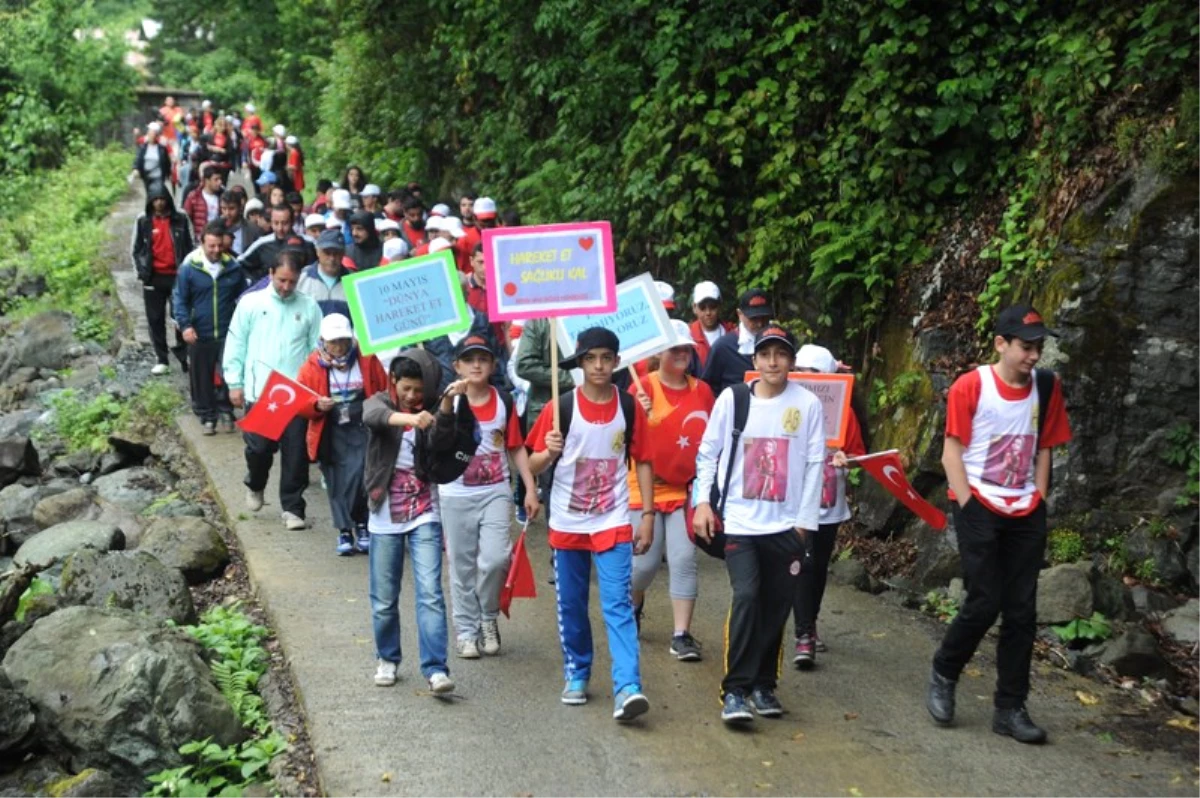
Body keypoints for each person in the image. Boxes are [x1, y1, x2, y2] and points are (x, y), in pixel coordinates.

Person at [926, 305, 1071, 745]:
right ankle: (945, 672)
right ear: (1001, 344)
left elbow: (1046, 447)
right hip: (979, 502)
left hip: (1026, 508)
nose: (1033, 357)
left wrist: (1040, 498)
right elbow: (952, 451)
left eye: (1038, 348)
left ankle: (1010, 707)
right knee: (984, 599)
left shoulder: (1046, 386)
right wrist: (967, 504)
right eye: (1026, 348)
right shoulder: (972, 386)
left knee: (1022, 610)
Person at [692, 325, 825, 725]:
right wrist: (702, 502)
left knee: (776, 605)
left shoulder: (807, 405)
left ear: (791, 361)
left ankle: (765, 684)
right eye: (765, 354)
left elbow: (815, 462)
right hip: (741, 523)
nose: (773, 362)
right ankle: (734, 690)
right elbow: (707, 453)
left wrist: (804, 524)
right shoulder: (732, 401)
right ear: (754, 361)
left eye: (780, 355)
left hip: (786, 526)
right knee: (748, 596)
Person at [526, 327, 654, 721]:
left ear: (617, 362)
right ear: (579, 364)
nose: (599, 366)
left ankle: (628, 686)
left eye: (605, 358)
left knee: (617, 602)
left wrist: (646, 514)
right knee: (572, 604)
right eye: (590, 358)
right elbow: (529, 466)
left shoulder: (629, 407)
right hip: (567, 522)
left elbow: (644, 460)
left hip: (613, 519)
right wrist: (547, 453)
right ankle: (577, 672)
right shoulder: (560, 407)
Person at [361, 350, 457, 695]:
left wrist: (443, 410)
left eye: (419, 390)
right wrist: (406, 419)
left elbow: (443, 442)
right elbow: (371, 416)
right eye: (407, 389)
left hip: (425, 511)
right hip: (384, 511)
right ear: (394, 385)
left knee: (430, 592)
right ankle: (387, 657)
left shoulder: (432, 407)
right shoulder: (379, 402)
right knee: (384, 598)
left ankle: (436, 668)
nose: (413, 397)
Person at [440, 336, 539, 659]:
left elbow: (514, 445)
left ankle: (488, 617)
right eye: (469, 360)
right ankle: (466, 632)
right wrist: (444, 407)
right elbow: (434, 444)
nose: (476, 365)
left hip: (495, 490)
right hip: (455, 493)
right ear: (457, 366)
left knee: (496, 559)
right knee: (462, 565)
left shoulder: (504, 401)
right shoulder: (449, 401)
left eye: (483, 359)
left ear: (493, 364)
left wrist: (530, 487)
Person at [629, 320, 715, 659]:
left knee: (682, 558)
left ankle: (682, 634)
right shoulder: (642, 388)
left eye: (686, 349)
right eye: (674, 349)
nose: (681, 355)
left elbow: (712, 438)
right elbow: (623, 438)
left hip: (685, 489)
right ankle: (633, 605)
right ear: (659, 353)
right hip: (644, 488)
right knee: (644, 565)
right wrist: (640, 415)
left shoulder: (703, 391)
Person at [223, 250, 324, 529]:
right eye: (282, 280)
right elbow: (236, 343)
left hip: (296, 393)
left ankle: (293, 508)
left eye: (292, 281)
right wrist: (235, 382)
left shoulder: (309, 307)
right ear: (270, 274)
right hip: (261, 391)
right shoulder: (251, 304)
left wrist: (316, 388)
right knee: (259, 449)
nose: (286, 287)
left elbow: (318, 350)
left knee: (295, 454)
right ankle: (255, 483)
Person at [790, 344, 866, 668]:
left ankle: (810, 621)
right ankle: (802, 633)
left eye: (815, 375)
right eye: (802, 374)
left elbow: (858, 455)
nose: (808, 381)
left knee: (818, 567)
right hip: (794, 503)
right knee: (802, 563)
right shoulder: (786, 406)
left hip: (829, 503)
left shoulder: (844, 411)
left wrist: (845, 460)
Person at [297, 313, 388, 556]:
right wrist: (316, 405)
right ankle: (344, 529)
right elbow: (300, 401)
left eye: (343, 341)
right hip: (330, 428)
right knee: (336, 480)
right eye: (333, 342)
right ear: (323, 341)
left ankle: (362, 522)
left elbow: (382, 388)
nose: (338, 347)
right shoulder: (311, 365)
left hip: (361, 425)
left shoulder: (366, 359)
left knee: (360, 475)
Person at [173, 221, 247, 434]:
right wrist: (185, 325)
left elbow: (243, 298)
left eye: (218, 246)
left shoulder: (233, 267)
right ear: (202, 243)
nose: (215, 251)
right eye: (211, 246)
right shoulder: (189, 268)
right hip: (199, 332)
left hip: (227, 332)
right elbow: (180, 299)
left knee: (228, 371)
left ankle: (225, 410)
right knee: (201, 375)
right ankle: (206, 414)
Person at [131, 185, 192, 376]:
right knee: (155, 319)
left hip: (177, 276)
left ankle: (184, 356)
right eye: (155, 199)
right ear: (150, 201)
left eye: (162, 199)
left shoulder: (180, 218)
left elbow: (190, 244)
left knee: (180, 316)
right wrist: (140, 272)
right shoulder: (143, 220)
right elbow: (136, 248)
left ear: (168, 199)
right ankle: (162, 358)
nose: (159, 203)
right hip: (153, 276)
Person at [701, 288, 774, 395]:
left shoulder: (779, 342)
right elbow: (707, 389)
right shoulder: (723, 347)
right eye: (753, 318)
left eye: (764, 318)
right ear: (739, 314)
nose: (760, 324)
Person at [238, 204, 317, 283]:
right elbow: (240, 263)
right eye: (276, 223)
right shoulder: (262, 244)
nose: (280, 228)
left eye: (285, 223)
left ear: (292, 222)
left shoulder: (309, 243)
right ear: (271, 222)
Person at [297, 229, 352, 317]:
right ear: (317, 251)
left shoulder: (352, 283)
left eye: (336, 253)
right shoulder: (301, 279)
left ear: (343, 253)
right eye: (327, 253)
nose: (332, 258)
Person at [690, 281, 735, 367]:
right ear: (694, 308)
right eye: (702, 307)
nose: (708, 312)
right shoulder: (688, 336)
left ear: (720, 306)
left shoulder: (733, 333)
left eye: (712, 306)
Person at [181, 165, 224, 242]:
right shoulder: (194, 197)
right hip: (199, 240)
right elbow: (186, 218)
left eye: (220, 179)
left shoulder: (222, 197)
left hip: (218, 239)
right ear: (207, 180)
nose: (219, 182)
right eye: (216, 179)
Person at [134, 123, 172, 197]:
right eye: (149, 133)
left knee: (157, 194)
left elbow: (167, 161)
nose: (151, 135)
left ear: (156, 135)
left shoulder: (162, 147)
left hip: (159, 176)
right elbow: (139, 158)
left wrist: (169, 173)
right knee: (149, 196)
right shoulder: (143, 147)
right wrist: (135, 168)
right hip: (147, 176)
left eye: (152, 133)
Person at [219, 190, 258, 257]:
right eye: (224, 208)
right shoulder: (215, 227)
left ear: (240, 208)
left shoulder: (253, 229)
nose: (227, 213)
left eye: (231, 208)